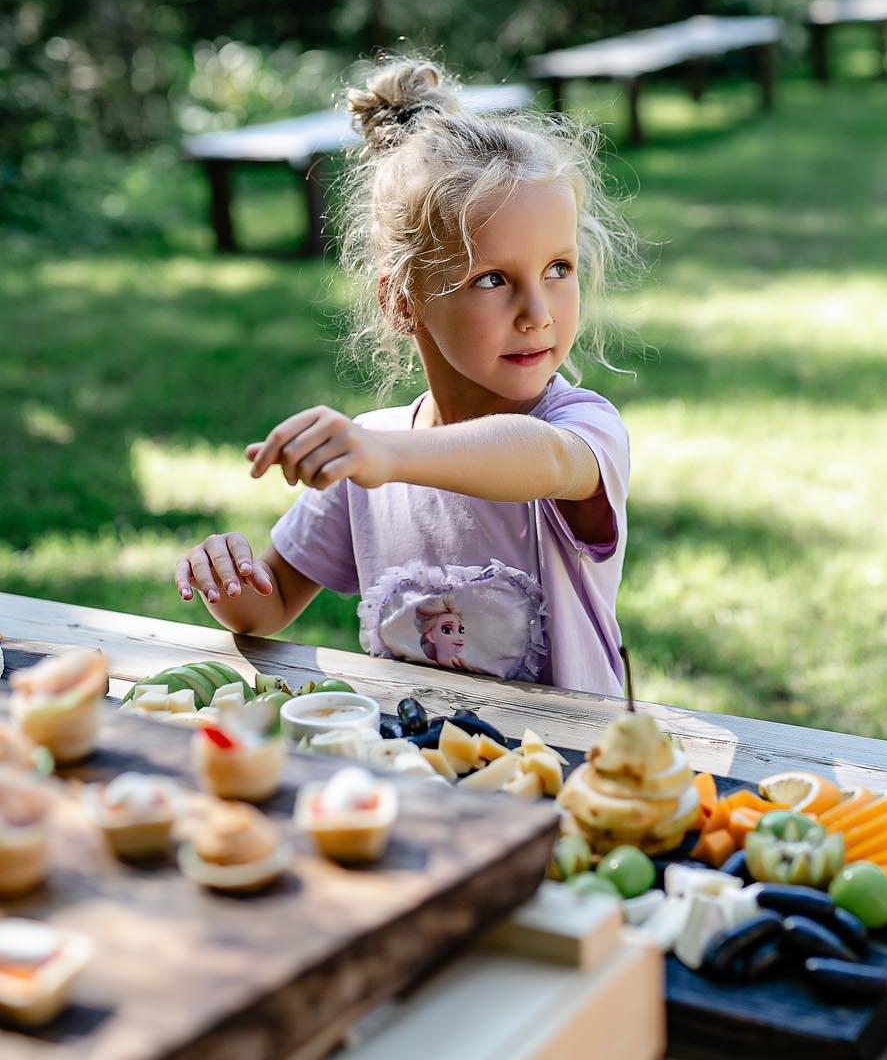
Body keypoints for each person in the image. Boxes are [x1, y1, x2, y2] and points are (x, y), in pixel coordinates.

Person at [173, 56, 639, 695]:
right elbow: (272, 603)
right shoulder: (373, 453)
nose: (537, 314)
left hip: (565, 773)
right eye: (493, 279)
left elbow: (545, 459)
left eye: (558, 269)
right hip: (408, 768)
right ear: (402, 302)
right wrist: (228, 577)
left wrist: (384, 455)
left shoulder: (581, 428)